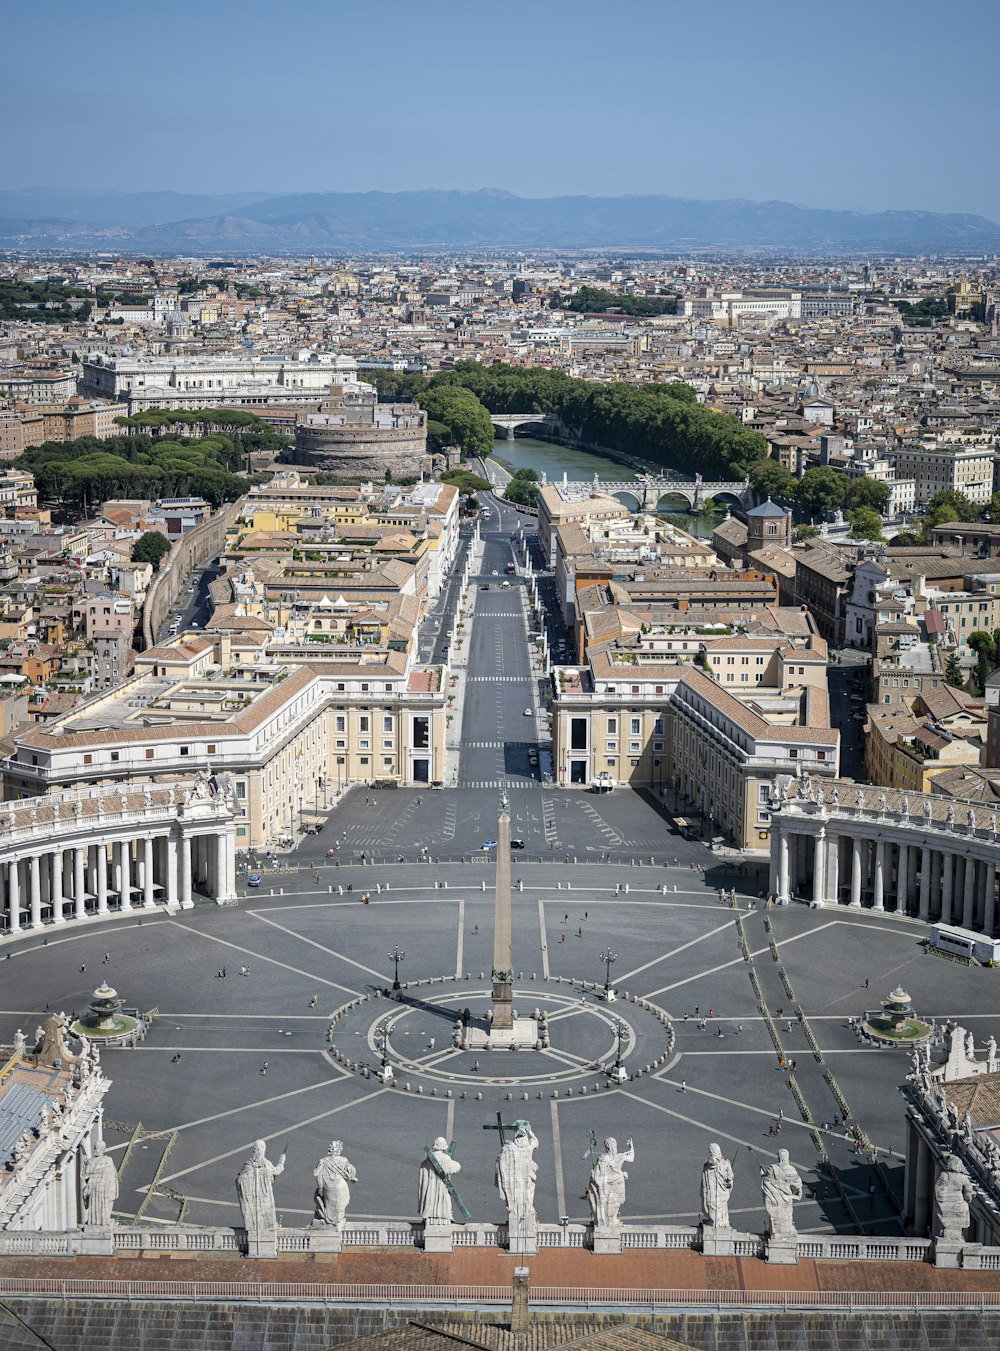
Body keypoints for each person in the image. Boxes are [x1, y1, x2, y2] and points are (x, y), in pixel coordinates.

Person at [237, 1139, 285, 1239]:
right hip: (265, 1196)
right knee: (266, 1216)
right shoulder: (266, 1164)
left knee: (259, 1217)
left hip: (255, 1197)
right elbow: (276, 1171)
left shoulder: (248, 1164)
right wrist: (281, 1162)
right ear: (263, 1149)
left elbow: (239, 1179)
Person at [495, 1119, 539, 1229]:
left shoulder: (510, 1147)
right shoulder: (529, 1146)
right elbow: (536, 1140)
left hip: (516, 1179)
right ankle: (527, 1209)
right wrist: (529, 1130)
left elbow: (501, 1163)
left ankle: (520, 1211)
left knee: (518, 1197)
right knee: (528, 1195)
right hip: (527, 1176)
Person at [586, 1136, 634, 1228]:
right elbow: (631, 1158)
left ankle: (612, 1219)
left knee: (615, 1202)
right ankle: (613, 1218)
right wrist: (631, 1148)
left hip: (607, 1183)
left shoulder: (603, 1158)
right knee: (617, 1202)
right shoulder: (620, 1156)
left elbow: (597, 1173)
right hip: (618, 1182)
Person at [313, 1139, 357, 1227]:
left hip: (329, 1186)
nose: (329, 1147)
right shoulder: (344, 1160)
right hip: (341, 1185)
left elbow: (317, 1175)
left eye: (331, 1146)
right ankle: (338, 1220)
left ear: (336, 1149)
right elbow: (350, 1171)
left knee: (329, 1204)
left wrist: (320, 1188)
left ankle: (329, 1220)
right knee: (341, 1204)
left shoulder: (323, 1161)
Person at [760, 1148, 803, 1238]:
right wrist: (792, 1195)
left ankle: (775, 1233)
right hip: (786, 1198)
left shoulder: (772, 1169)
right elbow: (798, 1187)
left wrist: (762, 1174)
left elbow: (766, 1181)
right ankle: (786, 1233)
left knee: (775, 1218)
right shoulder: (792, 1170)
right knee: (786, 1217)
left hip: (774, 1197)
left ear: (779, 1157)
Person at [418, 1137, 461, 1223]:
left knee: (430, 1200)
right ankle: (445, 1215)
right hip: (442, 1185)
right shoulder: (445, 1158)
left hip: (430, 1186)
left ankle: (428, 1215)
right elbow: (455, 1168)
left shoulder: (427, 1160)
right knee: (444, 1200)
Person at [82, 1141, 119, 1227]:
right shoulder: (108, 1160)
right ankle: (103, 1221)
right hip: (102, 1189)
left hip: (97, 1189)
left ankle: (96, 1222)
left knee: (97, 1208)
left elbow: (85, 1175)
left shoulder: (91, 1162)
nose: (94, 1150)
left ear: (102, 1150)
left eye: (95, 1148)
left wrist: (85, 1164)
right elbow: (112, 1177)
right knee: (103, 1208)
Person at [701, 1143, 734, 1228]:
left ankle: (717, 1223)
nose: (710, 1153)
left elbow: (730, 1176)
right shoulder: (725, 1163)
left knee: (715, 1206)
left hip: (716, 1192)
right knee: (719, 1206)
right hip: (717, 1191)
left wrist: (728, 1182)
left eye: (711, 1151)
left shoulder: (724, 1163)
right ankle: (718, 1222)